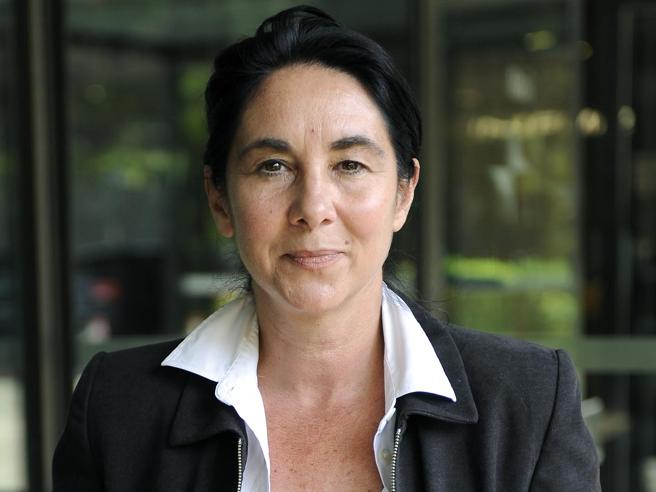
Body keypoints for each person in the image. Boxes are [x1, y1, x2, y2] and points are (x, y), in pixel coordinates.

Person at [53, 6, 600, 491]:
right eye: (273, 166)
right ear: (219, 199)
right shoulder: (118, 411)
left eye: (350, 165)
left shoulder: (527, 404)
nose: (313, 207)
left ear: (403, 194)